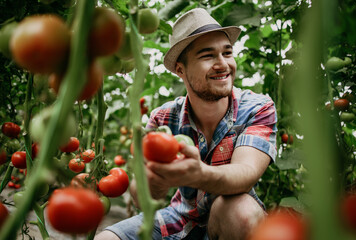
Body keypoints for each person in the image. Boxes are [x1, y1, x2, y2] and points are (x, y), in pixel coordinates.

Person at [95, 7, 277, 240]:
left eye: (227, 53)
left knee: (240, 212)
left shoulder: (257, 107)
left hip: (231, 214)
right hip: (178, 218)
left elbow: (246, 173)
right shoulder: (163, 119)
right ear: (180, 69)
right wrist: (155, 184)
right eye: (208, 55)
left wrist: (197, 174)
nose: (223, 64)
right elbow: (140, 196)